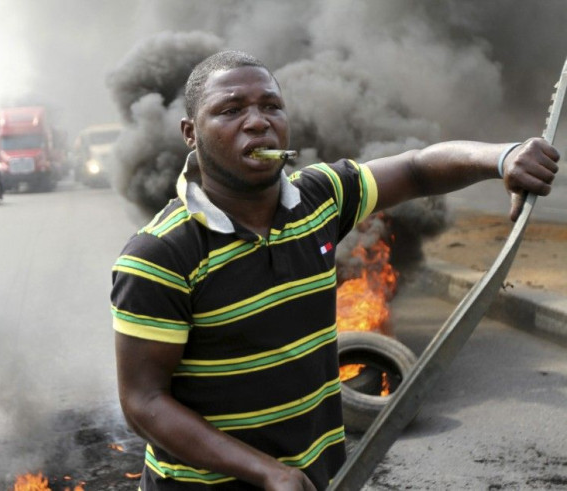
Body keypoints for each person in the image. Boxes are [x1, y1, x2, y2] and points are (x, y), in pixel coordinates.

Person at [110, 50, 560, 490]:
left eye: (271, 106)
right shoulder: (158, 256)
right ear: (190, 133)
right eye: (230, 110)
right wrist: (265, 472)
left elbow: (418, 169)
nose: (257, 121)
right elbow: (143, 402)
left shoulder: (319, 198)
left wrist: (503, 157)